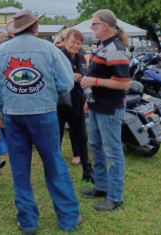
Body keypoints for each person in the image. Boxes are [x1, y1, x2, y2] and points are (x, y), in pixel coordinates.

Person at [0, 10, 82, 234]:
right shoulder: (49, 48)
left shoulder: (2, 50)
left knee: (20, 169)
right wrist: (51, 90)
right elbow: (67, 82)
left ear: (16, 30)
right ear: (36, 28)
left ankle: (27, 222)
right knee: (55, 164)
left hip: (12, 116)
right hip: (45, 114)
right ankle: (68, 218)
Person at [80, 9, 130, 211]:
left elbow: (124, 83)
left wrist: (94, 81)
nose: (91, 27)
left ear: (105, 26)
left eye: (94, 24)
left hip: (109, 108)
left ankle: (116, 197)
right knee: (96, 146)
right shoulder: (102, 45)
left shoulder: (116, 49)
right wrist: (89, 99)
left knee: (113, 152)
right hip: (96, 105)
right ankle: (101, 186)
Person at [56, 29, 94, 183]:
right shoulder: (58, 56)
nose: (76, 45)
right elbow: (49, 76)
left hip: (77, 103)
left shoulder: (80, 58)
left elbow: (85, 79)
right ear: (65, 41)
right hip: (59, 105)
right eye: (73, 42)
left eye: (79, 43)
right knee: (56, 138)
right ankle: (55, 172)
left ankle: (87, 169)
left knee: (82, 136)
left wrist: (88, 99)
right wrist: (69, 76)